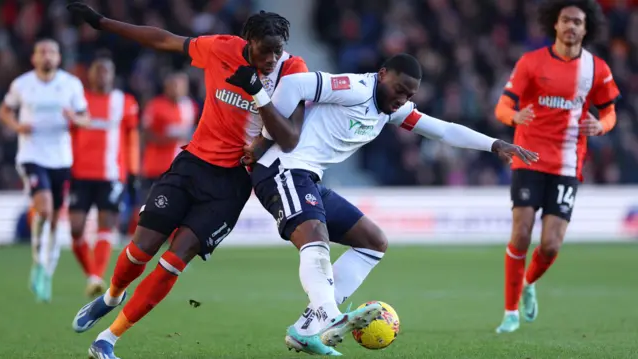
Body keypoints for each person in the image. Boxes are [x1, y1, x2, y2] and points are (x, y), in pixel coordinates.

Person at [230, 53, 538, 355]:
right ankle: (328, 313)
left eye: (409, 94)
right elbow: (295, 84)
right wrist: (265, 140)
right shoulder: (353, 87)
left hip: (308, 178)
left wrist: (494, 144)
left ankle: (307, 330)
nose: (402, 98)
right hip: (281, 169)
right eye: (399, 89)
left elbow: (442, 130)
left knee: (373, 242)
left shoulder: (392, 111)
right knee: (315, 237)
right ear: (382, 75)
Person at [66, 3, 309, 358]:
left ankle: (108, 338)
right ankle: (111, 296)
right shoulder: (220, 48)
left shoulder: (293, 70)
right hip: (191, 165)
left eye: (278, 50)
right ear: (248, 41)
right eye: (264, 50)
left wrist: (258, 93)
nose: (272, 58)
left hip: (232, 184)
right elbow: (163, 40)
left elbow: (289, 138)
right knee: (141, 248)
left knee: (174, 260)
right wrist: (103, 23)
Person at [493, 0, 619, 334]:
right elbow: (502, 107)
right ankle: (509, 312)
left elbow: (609, 112)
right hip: (528, 156)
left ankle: (529, 283)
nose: (571, 27)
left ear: (586, 27)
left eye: (577, 22)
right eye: (566, 20)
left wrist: (601, 126)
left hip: (566, 163)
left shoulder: (597, 69)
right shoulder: (531, 63)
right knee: (521, 232)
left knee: (550, 245)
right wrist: (514, 116)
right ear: (555, 24)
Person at [0, 38, 90, 302]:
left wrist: (75, 119)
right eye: (42, 52)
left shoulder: (71, 85)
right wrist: (17, 127)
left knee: (53, 218)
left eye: (52, 52)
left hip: (61, 158)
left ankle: (46, 268)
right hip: (32, 154)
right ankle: (38, 263)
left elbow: (86, 118)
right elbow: (4, 111)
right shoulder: (23, 84)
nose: (47, 56)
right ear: (34, 58)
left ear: (59, 58)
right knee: (45, 208)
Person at [69, 56, 140, 298]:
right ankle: (91, 274)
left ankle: (96, 277)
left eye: (105, 70)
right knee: (76, 229)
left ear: (112, 74)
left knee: (106, 225)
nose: (101, 75)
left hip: (111, 174)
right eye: (97, 70)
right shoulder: (79, 101)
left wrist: (133, 170)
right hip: (80, 172)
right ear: (90, 75)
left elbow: (132, 138)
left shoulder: (125, 102)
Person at [126, 72, 197, 236]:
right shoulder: (155, 106)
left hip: (180, 167)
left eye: (180, 85)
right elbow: (146, 134)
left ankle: (173, 245)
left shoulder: (190, 106)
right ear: (166, 87)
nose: (177, 89)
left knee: (178, 206)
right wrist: (170, 138)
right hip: (155, 166)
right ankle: (133, 236)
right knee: (146, 205)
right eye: (174, 85)